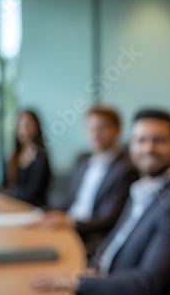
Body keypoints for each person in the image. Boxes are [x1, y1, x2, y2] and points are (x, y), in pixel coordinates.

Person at [31, 109, 170, 295]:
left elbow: (146, 282)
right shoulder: (141, 190)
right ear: (131, 146)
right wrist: (93, 269)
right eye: (140, 140)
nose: (148, 148)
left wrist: (79, 283)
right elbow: (115, 240)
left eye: (158, 140)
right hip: (110, 280)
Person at [36, 106, 138, 249]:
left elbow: (108, 219)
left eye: (102, 128)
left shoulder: (126, 170)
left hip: (89, 236)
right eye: (91, 128)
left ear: (117, 130)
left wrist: (69, 221)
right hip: (66, 227)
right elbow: (70, 202)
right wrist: (43, 213)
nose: (95, 134)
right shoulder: (82, 160)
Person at [2, 110, 51, 207]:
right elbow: (4, 186)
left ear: (36, 127)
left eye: (28, 125)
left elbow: (32, 194)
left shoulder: (40, 158)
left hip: (34, 208)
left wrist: (7, 194)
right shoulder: (12, 158)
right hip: (12, 206)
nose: (24, 129)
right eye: (20, 126)